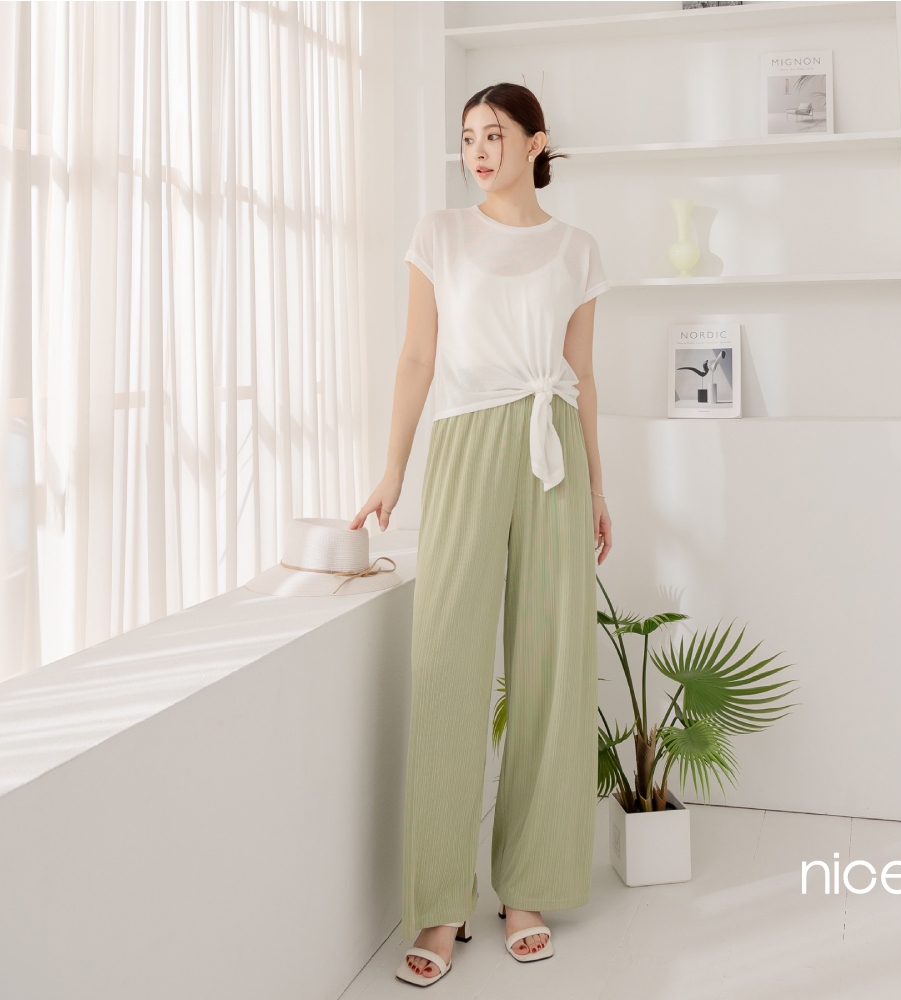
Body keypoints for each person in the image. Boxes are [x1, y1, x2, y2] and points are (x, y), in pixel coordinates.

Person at [349, 82, 613, 988]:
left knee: (550, 669)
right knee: (447, 667)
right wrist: (393, 469)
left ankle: (527, 889)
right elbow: (417, 356)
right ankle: (440, 902)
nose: (478, 150)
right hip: (465, 444)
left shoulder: (577, 249)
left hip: (553, 451)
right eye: (467, 137)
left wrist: (599, 488)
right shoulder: (440, 234)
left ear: (537, 143)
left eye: (494, 135)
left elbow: (581, 375)